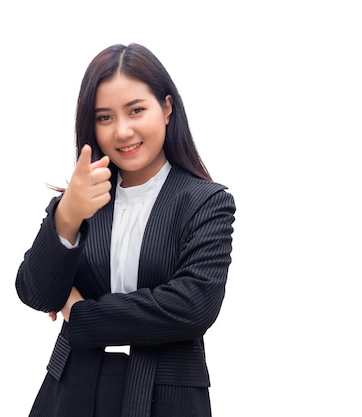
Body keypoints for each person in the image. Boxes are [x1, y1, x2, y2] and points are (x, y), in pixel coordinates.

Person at [15, 43, 236, 417]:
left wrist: (78, 311)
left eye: (136, 110)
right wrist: (67, 215)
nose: (122, 131)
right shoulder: (82, 198)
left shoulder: (206, 202)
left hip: (167, 397)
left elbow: (192, 307)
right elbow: (35, 292)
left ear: (166, 108)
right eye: (104, 117)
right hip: (69, 393)